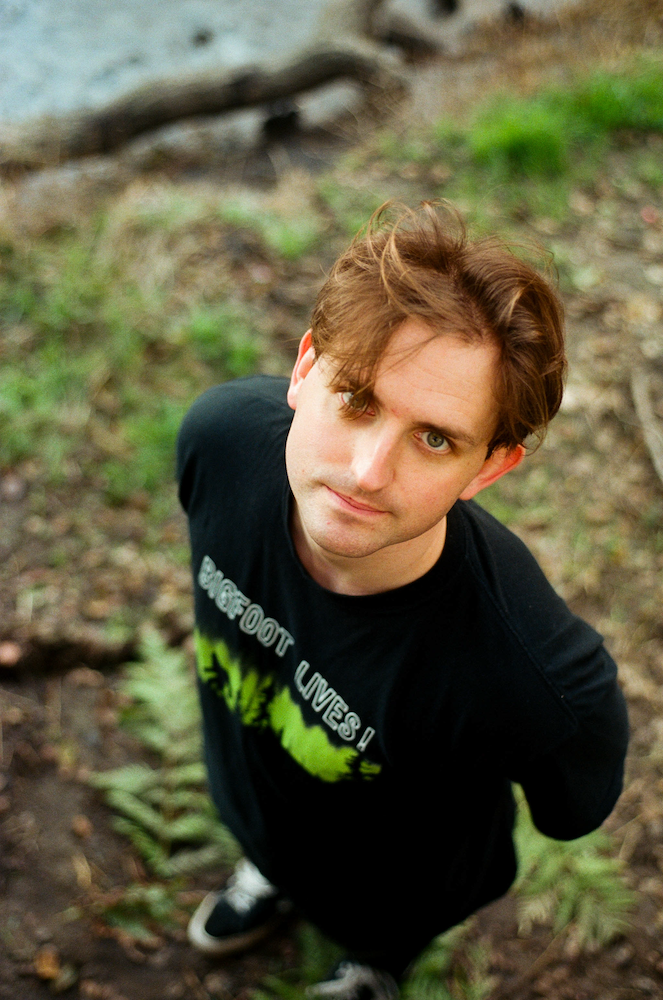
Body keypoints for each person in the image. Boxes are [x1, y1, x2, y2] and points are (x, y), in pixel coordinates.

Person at [176, 202, 628, 1000]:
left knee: (381, 925)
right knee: (265, 832)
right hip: (251, 786)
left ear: (488, 468)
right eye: (356, 397)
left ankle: (373, 964)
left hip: (396, 883)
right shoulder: (219, 444)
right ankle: (269, 870)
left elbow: (572, 804)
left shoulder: (529, 674)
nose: (366, 472)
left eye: (434, 438)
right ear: (304, 369)